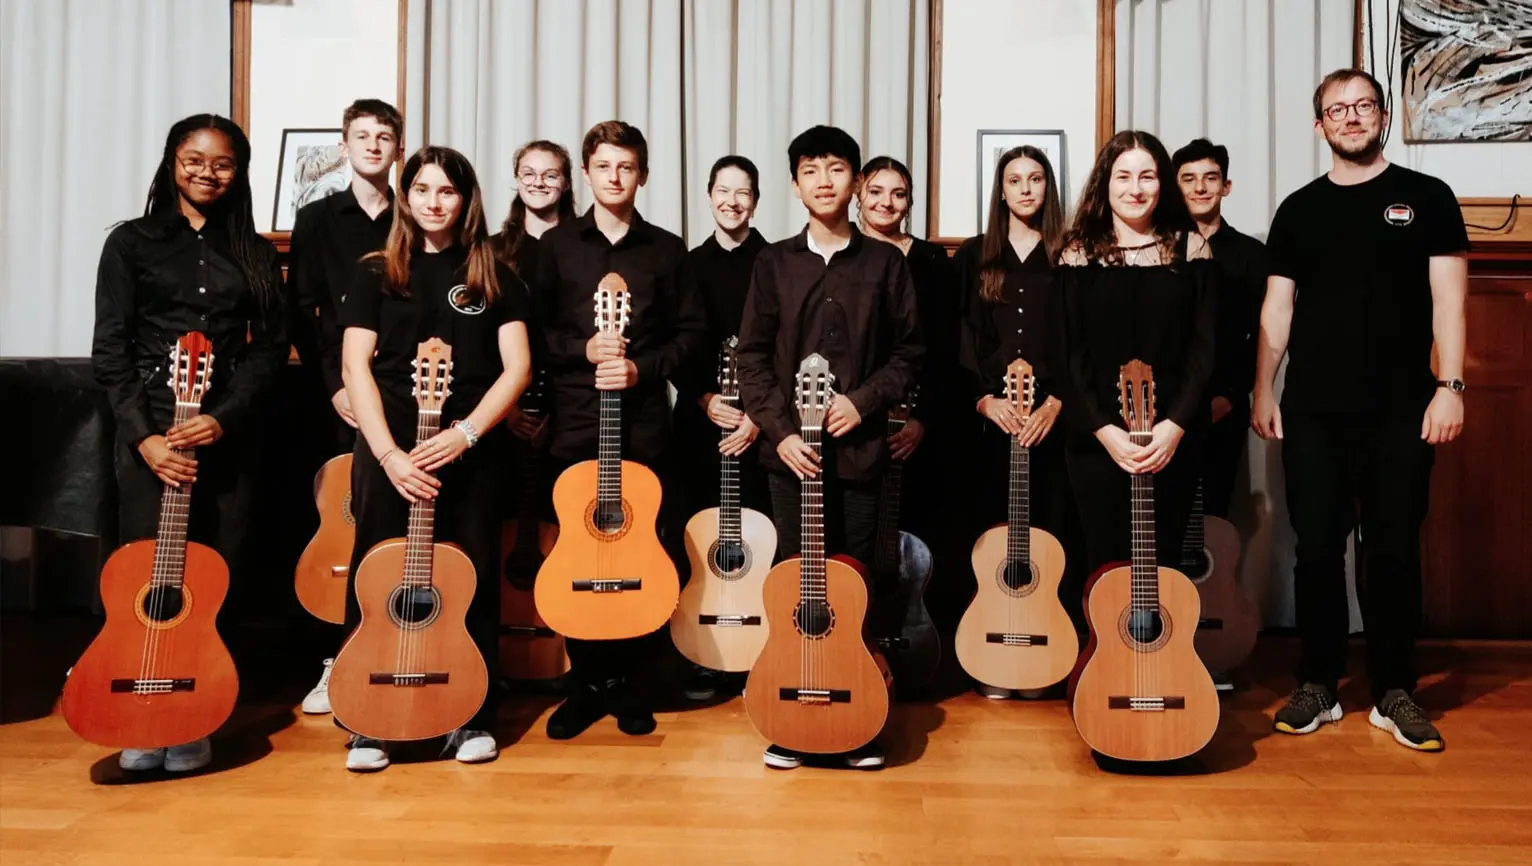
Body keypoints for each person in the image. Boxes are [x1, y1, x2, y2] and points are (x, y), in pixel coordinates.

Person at [1255, 68, 1467, 752]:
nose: (1350, 117)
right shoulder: (1297, 210)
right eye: (1336, 109)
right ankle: (1318, 682)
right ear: (1319, 125)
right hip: (1313, 410)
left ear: (1382, 117)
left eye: (1362, 106)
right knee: (1316, 550)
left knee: (1394, 551)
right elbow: (1277, 310)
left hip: (1404, 409)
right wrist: (1263, 387)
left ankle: (1393, 689)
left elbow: (1449, 302)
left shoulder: (1427, 198)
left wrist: (1451, 386)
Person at [91, 113, 287, 773]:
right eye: (194, 158)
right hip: (153, 436)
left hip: (225, 438)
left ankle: (199, 711)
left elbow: (269, 352)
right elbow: (111, 351)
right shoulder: (131, 244)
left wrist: (223, 417)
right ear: (172, 161)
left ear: (240, 171)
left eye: (223, 161)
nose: (208, 171)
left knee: (216, 577)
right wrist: (145, 440)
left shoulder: (255, 254)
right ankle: (143, 712)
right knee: (147, 578)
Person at [337, 145, 533, 771]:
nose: (433, 202)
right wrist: (389, 454)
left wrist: (469, 434)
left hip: (465, 451)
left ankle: (469, 714)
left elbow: (518, 368)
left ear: (466, 199)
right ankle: (367, 720)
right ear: (406, 195)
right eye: (421, 189)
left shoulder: (496, 275)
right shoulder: (374, 272)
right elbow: (355, 367)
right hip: (389, 448)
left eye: (446, 191)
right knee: (378, 576)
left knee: (467, 576)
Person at [736, 125, 924, 770]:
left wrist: (862, 401)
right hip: (791, 459)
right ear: (794, 183)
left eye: (837, 168)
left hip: (862, 451)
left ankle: (859, 714)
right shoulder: (773, 263)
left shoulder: (886, 264)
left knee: (860, 582)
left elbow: (910, 354)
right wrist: (781, 433)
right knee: (798, 582)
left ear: (854, 180)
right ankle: (792, 719)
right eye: (810, 169)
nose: (823, 179)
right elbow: (753, 357)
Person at [531, 120, 707, 740]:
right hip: (577, 424)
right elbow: (533, 335)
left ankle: (630, 683)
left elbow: (691, 338)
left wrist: (642, 367)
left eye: (625, 167)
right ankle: (587, 684)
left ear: (642, 175)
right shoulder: (555, 248)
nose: (614, 177)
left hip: (645, 424)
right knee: (578, 550)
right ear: (586, 173)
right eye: (603, 166)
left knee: (642, 549)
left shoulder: (667, 250)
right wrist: (584, 350)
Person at [286, 97, 404, 716]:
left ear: (397, 147)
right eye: (363, 135)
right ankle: (336, 656)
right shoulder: (317, 219)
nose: (374, 146)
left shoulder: (412, 218)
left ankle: (397, 643)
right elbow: (302, 311)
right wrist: (334, 383)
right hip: (339, 393)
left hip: (402, 391)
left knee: (393, 520)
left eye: (384, 136)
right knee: (343, 521)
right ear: (345, 143)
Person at [1057, 130, 1216, 576]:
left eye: (1147, 176)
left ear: (1163, 183)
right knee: (1105, 563)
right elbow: (1070, 357)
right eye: (1123, 176)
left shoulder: (1192, 248)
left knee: (1163, 565)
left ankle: (1159, 650)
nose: (1135, 188)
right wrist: (1106, 432)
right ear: (1105, 184)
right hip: (1097, 440)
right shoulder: (1077, 254)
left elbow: (1204, 351)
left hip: (1172, 439)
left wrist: (1174, 427)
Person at [954, 144, 1083, 662]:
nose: (1026, 189)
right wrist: (984, 401)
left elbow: (1084, 340)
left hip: (1055, 424)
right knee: (990, 539)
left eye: (1036, 179)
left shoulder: (1072, 253)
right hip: (992, 427)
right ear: (1000, 189)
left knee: (1056, 536)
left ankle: (1053, 650)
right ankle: (990, 646)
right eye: (1015, 180)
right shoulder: (972, 256)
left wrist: (1058, 403)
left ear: (1048, 187)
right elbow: (959, 337)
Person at [672, 154, 771, 702]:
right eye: (723, 191)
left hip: (762, 426)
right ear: (708, 195)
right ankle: (705, 652)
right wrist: (704, 398)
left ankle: (759, 649)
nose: (733, 201)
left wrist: (759, 417)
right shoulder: (687, 265)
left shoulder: (776, 261)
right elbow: (676, 346)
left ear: (756, 201)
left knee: (761, 535)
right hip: (699, 424)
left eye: (744, 192)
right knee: (701, 541)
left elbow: (788, 348)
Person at [854, 156, 963, 644]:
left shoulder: (932, 263)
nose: (886, 202)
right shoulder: (846, 252)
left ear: (910, 202)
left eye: (898, 193)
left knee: (920, 539)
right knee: (858, 536)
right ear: (858, 194)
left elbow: (944, 349)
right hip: (857, 419)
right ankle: (855, 642)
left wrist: (924, 419)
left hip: (917, 422)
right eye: (876, 191)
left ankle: (917, 646)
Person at [1171, 138, 1268, 518]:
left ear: (1226, 186)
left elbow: (1262, 334)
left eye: (1210, 178)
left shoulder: (1252, 255)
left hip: (1225, 406)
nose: (1199, 187)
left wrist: (1229, 395)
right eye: (1189, 178)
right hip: (1164, 409)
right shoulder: (1158, 249)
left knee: (1214, 516)